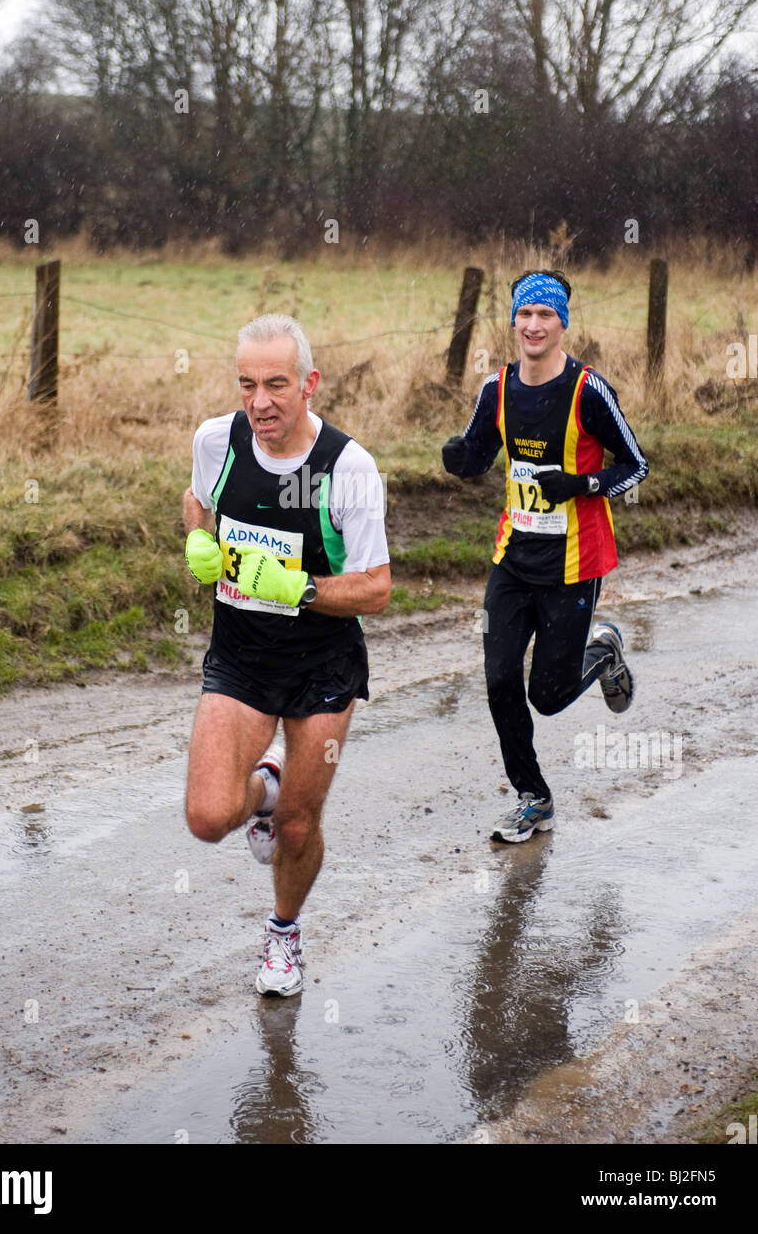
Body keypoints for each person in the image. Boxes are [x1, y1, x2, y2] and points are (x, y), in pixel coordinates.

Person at [182, 314, 391, 995]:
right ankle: (263, 790)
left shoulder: (347, 468)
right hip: (240, 655)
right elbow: (197, 501)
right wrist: (196, 541)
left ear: (309, 384)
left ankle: (281, 934)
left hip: (321, 666)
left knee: (298, 826)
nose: (259, 401)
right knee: (209, 817)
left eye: (276, 384)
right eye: (247, 384)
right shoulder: (217, 440)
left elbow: (376, 589)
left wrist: (297, 588)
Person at [442, 270, 649, 843]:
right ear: (513, 322)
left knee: (548, 696)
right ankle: (533, 795)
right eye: (524, 315)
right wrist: (460, 459)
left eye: (545, 316)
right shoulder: (497, 388)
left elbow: (635, 466)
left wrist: (580, 485)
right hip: (512, 559)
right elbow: (480, 454)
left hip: (574, 565)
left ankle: (602, 651)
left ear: (562, 324)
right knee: (499, 677)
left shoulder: (588, 390)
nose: (533, 325)